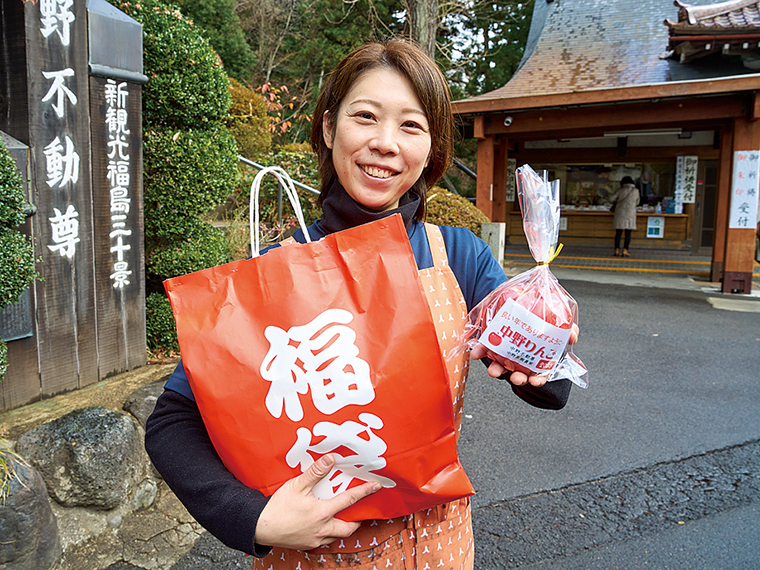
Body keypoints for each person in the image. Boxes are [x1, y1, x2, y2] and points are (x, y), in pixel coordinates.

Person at [145, 39, 575, 570]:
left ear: (432, 149)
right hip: (312, 557)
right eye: (365, 117)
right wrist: (253, 518)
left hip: (439, 550)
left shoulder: (460, 257)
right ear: (329, 129)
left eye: (411, 126)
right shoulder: (278, 269)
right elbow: (173, 419)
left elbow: (552, 389)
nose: (385, 143)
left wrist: (542, 347)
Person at [609, 175, 640, 257]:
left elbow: (610, 199)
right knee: (628, 233)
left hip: (620, 213)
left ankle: (616, 250)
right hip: (630, 214)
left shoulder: (620, 190)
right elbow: (637, 202)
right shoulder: (636, 191)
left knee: (618, 233)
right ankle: (625, 251)